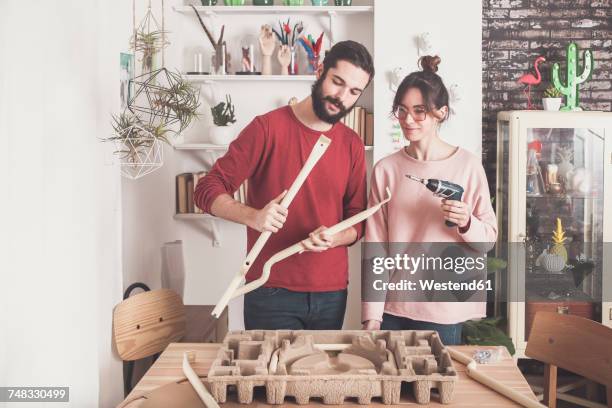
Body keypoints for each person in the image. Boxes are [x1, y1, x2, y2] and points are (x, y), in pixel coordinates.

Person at [195, 40, 374, 330]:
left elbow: (358, 219)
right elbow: (206, 189)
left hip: (331, 292)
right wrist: (253, 216)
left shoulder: (352, 144)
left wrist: (336, 236)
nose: (342, 97)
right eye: (337, 82)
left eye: (354, 92)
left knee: (319, 376)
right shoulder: (267, 128)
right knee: (268, 376)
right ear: (319, 71)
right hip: (269, 289)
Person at [361, 55, 497, 345]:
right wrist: (372, 315)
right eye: (402, 110)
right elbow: (376, 249)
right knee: (393, 389)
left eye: (420, 111)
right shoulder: (385, 170)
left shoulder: (468, 166)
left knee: (435, 390)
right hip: (395, 308)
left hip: (444, 311)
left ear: (441, 113)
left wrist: (466, 222)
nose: (408, 120)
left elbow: (488, 241)